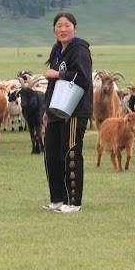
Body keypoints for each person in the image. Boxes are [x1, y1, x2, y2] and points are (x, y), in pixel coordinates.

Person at [42, 12, 93, 213]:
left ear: (75, 28)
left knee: (70, 153)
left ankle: (73, 202)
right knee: (52, 155)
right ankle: (57, 199)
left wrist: (59, 74)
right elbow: (52, 85)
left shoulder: (79, 50)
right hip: (56, 109)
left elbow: (83, 79)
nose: (62, 29)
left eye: (67, 26)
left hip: (74, 110)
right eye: (59, 26)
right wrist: (46, 109)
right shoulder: (57, 51)